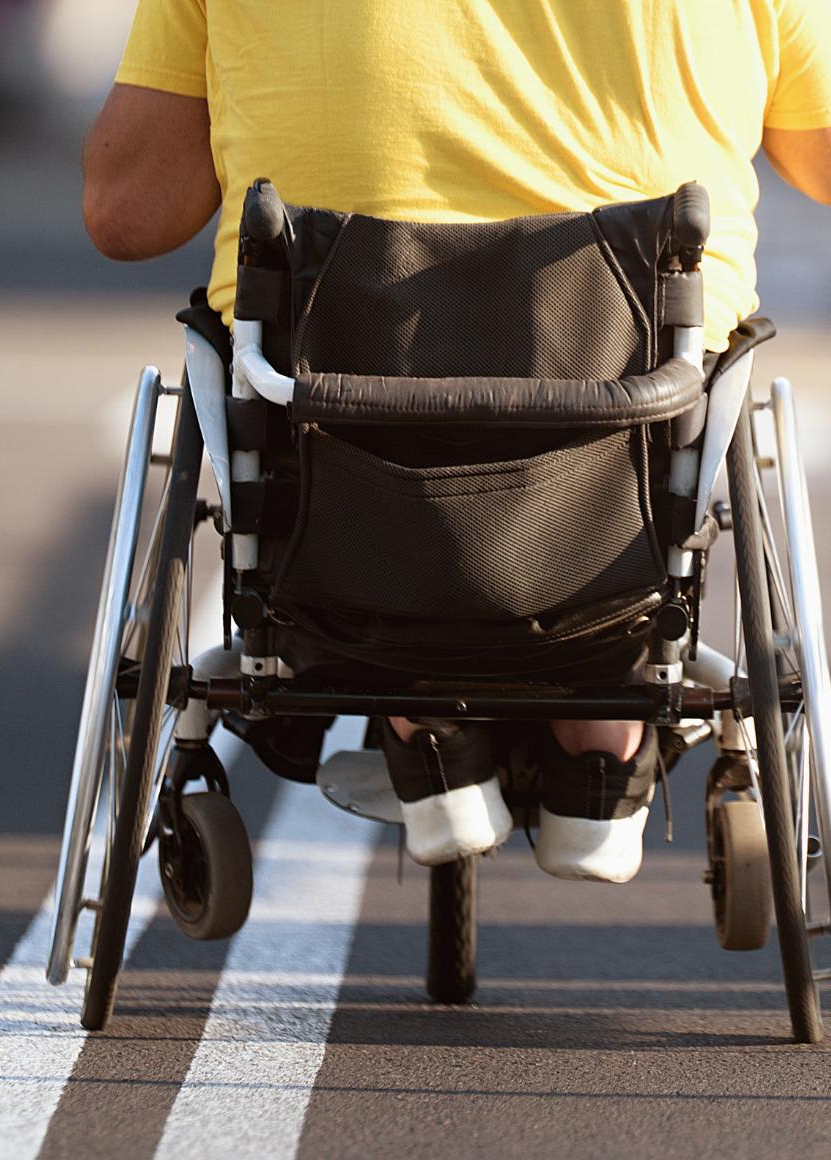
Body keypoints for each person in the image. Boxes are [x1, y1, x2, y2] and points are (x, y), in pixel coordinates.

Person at [81, 1, 831, 881]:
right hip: (631, 436)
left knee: (328, 391)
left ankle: (422, 720)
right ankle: (600, 742)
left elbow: (125, 212)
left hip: (339, 452)